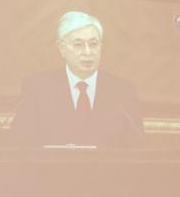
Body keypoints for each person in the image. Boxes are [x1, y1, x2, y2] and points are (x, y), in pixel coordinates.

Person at [10, 10, 143, 148]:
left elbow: (137, 147)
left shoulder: (123, 92)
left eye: (93, 44)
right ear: (61, 48)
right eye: (78, 45)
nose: (87, 52)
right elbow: (20, 143)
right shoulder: (38, 88)